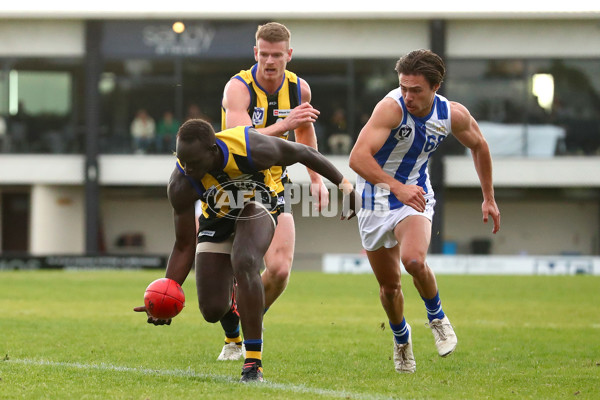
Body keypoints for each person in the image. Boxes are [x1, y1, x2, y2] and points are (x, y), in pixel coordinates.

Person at [134, 119, 357, 382]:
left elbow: (302, 152)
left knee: (245, 260)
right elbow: (184, 244)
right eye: (182, 161)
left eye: (193, 162)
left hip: (261, 202)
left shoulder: (252, 148)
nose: (188, 168)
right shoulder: (181, 182)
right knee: (212, 310)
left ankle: (253, 363)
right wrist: (166, 294)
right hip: (217, 216)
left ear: (213, 150)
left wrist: (345, 185)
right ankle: (235, 309)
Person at [349, 49, 501, 374]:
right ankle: (402, 339)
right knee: (390, 288)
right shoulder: (390, 109)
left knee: (414, 260)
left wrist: (488, 197)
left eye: (415, 90)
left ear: (436, 86)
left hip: (415, 196)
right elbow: (358, 158)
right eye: (403, 87)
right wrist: (395, 186)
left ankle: (438, 318)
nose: (407, 96)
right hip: (375, 199)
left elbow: (480, 145)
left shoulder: (451, 114)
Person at [218, 21, 329, 361]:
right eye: (264, 54)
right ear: (255, 53)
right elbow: (243, 142)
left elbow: (305, 137)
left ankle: (248, 323)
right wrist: (285, 125)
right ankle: (234, 336)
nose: (269, 61)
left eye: (276, 55)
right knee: (220, 285)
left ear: (289, 55)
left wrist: (315, 178)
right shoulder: (238, 88)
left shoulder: (299, 90)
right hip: (231, 187)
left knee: (279, 271)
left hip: (275, 185)